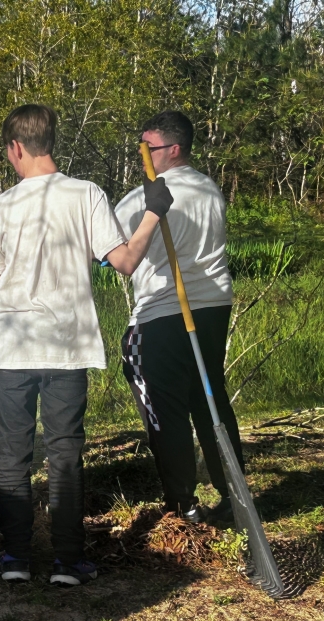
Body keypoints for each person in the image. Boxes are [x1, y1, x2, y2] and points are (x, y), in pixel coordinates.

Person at [0, 104, 173, 586]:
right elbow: (127, 261)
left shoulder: (0, 207)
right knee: (65, 452)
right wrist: (153, 211)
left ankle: (16, 559)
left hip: (11, 348)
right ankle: (69, 561)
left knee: (11, 453)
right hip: (67, 347)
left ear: (16, 148)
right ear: (51, 140)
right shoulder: (87, 194)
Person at [114, 110, 242, 525]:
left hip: (164, 312)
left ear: (173, 149)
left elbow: (114, 254)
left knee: (164, 409)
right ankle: (233, 495)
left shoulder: (141, 199)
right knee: (208, 398)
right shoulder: (210, 189)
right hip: (213, 307)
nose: (142, 156)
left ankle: (182, 505)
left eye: (147, 148)